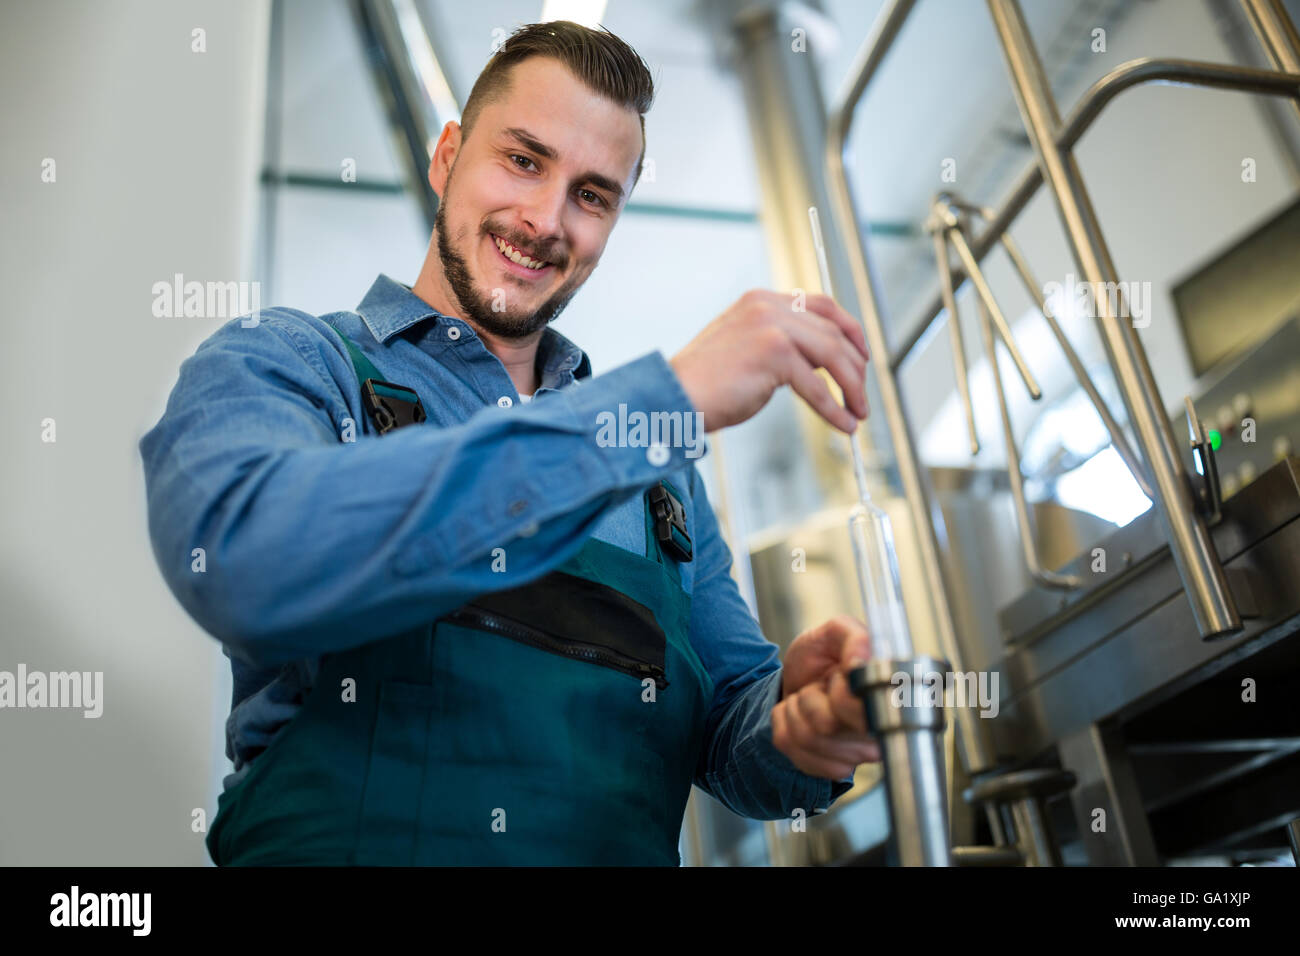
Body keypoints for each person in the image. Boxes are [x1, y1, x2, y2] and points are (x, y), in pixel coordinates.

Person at [139, 20, 880, 866]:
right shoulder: (295, 362)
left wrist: (799, 719)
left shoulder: (661, 479)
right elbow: (242, 558)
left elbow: (726, 728)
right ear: (447, 154)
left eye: (592, 194)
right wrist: (648, 404)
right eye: (523, 160)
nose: (543, 220)